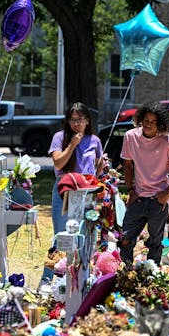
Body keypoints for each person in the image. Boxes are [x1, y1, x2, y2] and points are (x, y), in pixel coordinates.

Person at [39, 102, 104, 286]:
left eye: (80, 119)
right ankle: (49, 279)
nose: (76, 124)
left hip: (86, 191)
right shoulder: (60, 137)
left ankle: (82, 278)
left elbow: (97, 165)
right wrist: (73, 145)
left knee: (86, 233)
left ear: (87, 121)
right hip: (64, 190)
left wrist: (98, 174)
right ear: (67, 121)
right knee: (61, 235)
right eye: (73, 120)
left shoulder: (95, 140)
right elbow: (58, 163)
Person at [119, 101, 169, 266]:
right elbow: (127, 164)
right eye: (146, 120)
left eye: (154, 122)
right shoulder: (130, 137)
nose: (148, 125)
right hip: (138, 197)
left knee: (155, 241)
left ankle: (151, 275)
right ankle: (125, 272)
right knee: (125, 238)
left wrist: (166, 193)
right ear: (141, 119)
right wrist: (131, 190)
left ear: (160, 124)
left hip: (158, 199)